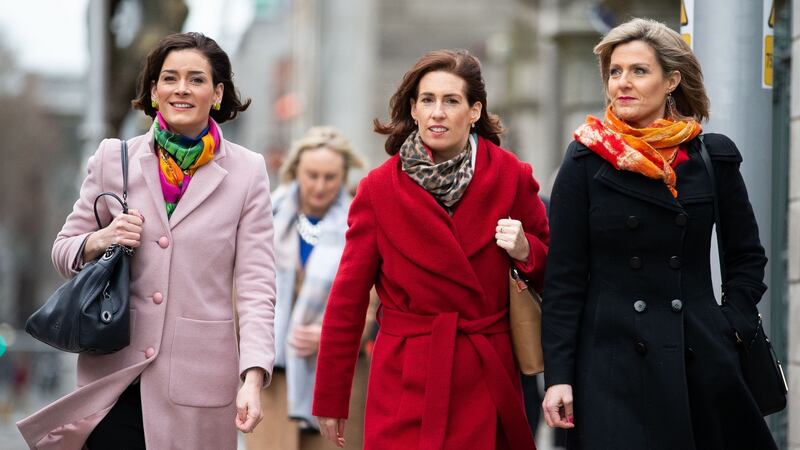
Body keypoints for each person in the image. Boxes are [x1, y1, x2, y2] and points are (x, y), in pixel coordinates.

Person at [17, 32, 277, 450]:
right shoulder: (112, 159)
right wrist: (102, 238)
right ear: (154, 92)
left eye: (196, 79)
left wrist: (253, 375)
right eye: (169, 78)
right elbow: (63, 251)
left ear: (217, 93)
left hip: (198, 383)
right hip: (114, 376)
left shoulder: (249, 172)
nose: (182, 89)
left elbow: (256, 286)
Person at [541, 18, 777, 450]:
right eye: (615, 72)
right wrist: (558, 376)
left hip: (699, 357)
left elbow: (747, 259)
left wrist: (731, 325)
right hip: (610, 367)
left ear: (671, 80)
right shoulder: (585, 159)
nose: (622, 83)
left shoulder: (710, 156)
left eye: (638, 71)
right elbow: (564, 281)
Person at [312, 49, 549, 450]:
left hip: (486, 374)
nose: (438, 112)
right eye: (428, 100)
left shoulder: (512, 176)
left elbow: (554, 272)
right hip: (406, 377)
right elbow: (348, 299)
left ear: (474, 111)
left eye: (451, 101)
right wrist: (331, 397)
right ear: (414, 109)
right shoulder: (378, 190)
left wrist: (526, 251)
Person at [246, 126, 374, 450]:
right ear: (295, 172)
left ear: (343, 177)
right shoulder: (265, 217)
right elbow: (244, 288)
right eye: (312, 175)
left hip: (337, 374)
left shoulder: (361, 223)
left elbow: (373, 299)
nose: (319, 186)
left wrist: (333, 335)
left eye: (330, 177)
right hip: (273, 378)